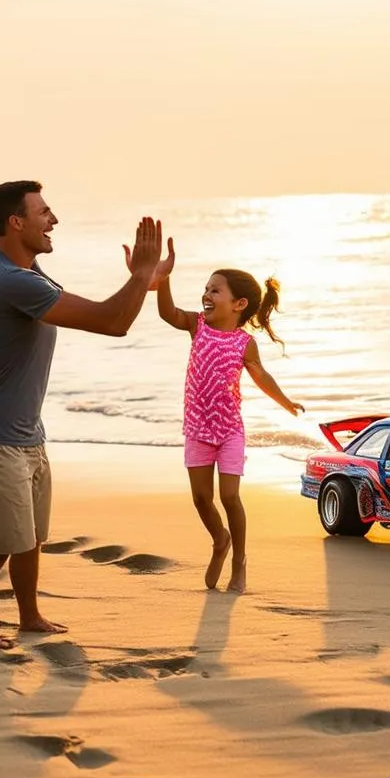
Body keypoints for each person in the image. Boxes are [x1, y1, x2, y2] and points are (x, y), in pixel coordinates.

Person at [0, 180, 168, 649]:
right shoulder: (9, 280)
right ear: (16, 222)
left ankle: (28, 616)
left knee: (29, 537)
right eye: (44, 212)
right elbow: (113, 323)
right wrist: (139, 278)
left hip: (24, 433)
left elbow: (106, 312)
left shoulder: (27, 271)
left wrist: (145, 281)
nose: (54, 220)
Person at [139, 247, 304, 592]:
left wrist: (286, 402)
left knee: (230, 496)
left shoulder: (245, 343)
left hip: (230, 430)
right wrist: (164, 279)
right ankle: (220, 540)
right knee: (201, 498)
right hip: (198, 430)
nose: (206, 295)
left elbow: (261, 376)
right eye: (206, 288)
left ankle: (240, 560)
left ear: (238, 304)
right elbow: (168, 312)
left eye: (216, 290)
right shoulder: (196, 325)